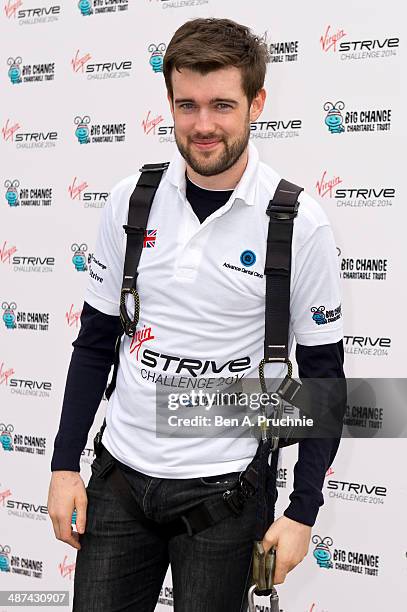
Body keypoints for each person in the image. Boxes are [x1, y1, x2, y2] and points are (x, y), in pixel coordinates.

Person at [47, 17, 345, 612]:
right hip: (118, 482)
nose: (203, 125)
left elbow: (323, 380)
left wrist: (303, 511)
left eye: (222, 105)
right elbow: (95, 341)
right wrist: (63, 464)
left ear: (256, 102)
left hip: (227, 496)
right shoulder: (132, 199)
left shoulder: (297, 223)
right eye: (187, 105)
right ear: (170, 104)